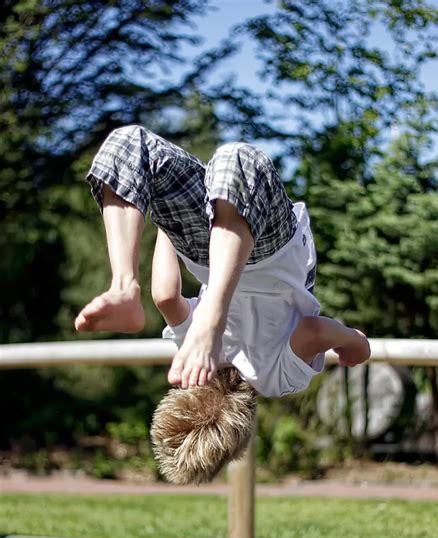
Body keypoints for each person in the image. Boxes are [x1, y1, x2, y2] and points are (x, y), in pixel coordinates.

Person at [76, 125, 370, 483]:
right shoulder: (192, 352)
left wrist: (355, 342)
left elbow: (315, 329)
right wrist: (169, 222)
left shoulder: (274, 379)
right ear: (185, 391)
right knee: (132, 147)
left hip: (267, 253)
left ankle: (136, 287)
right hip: (229, 251)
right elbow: (165, 296)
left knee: (235, 161)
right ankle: (125, 285)